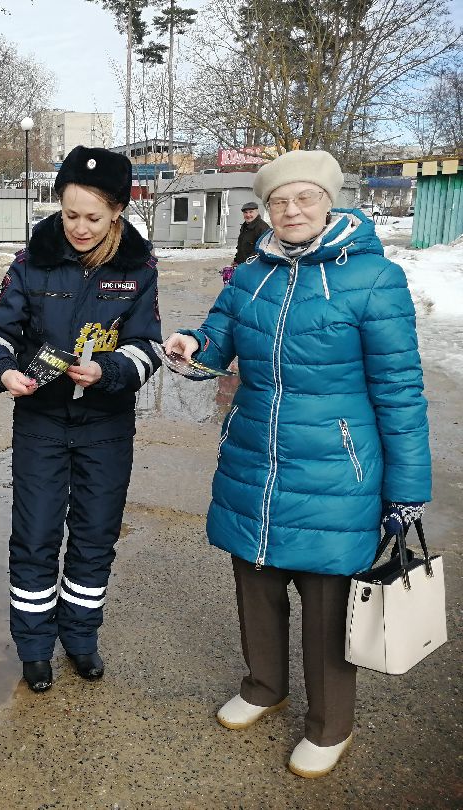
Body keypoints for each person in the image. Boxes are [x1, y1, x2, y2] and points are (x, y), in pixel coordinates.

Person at [162, 150, 431, 778]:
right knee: (256, 583)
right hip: (256, 456)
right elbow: (218, 337)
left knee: (327, 602)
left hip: (336, 468)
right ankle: (262, 686)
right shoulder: (253, 273)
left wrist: (406, 487)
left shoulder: (373, 278)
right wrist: (192, 345)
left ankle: (330, 724)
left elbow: (399, 387)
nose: (292, 210)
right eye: (280, 201)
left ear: (329, 202)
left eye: (305, 197)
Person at [0, 146, 162, 692]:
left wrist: (109, 370)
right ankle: (34, 646)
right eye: (70, 214)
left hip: (106, 426)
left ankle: (80, 638)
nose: (79, 227)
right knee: (33, 535)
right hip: (40, 422)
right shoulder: (31, 262)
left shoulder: (138, 268)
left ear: (119, 213)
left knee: (94, 534)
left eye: (94, 217)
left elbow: (146, 346)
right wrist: (3, 370)